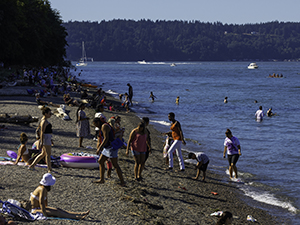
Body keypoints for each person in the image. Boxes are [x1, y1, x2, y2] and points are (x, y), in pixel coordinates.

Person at [93, 118, 125, 186]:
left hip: (111, 148)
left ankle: (122, 182)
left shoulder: (104, 126)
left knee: (115, 165)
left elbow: (106, 138)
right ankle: (102, 179)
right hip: (107, 147)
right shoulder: (105, 125)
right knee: (100, 161)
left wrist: (99, 148)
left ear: (98, 122)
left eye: (95, 124)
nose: (96, 126)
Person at [29, 107, 53, 172]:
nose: (50, 115)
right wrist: (41, 142)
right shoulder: (44, 121)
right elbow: (42, 132)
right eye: (49, 114)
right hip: (46, 138)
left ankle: (32, 165)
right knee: (48, 154)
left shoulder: (44, 120)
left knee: (43, 153)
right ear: (45, 113)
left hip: (47, 137)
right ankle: (49, 169)